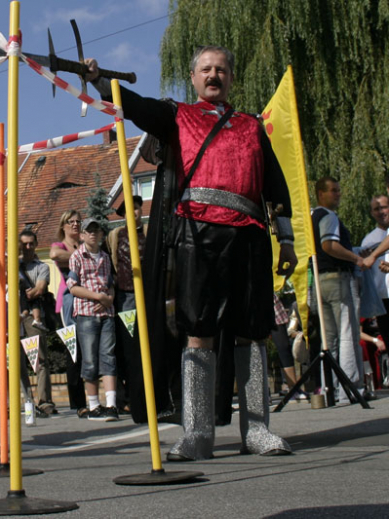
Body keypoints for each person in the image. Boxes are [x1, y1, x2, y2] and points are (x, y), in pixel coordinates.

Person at [87, 46, 297, 459]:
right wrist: (98, 81)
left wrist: (286, 238)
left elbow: (275, 183)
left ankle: (256, 431)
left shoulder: (253, 126)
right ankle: (198, 433)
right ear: (194, 76)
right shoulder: (177, 117)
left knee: (252, 331)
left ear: (231, 78)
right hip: (197, 233)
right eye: (206, 69)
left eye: (221, 69)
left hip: (250, 235)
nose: (214, 75)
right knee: (198, 329)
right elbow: (137, 107)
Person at [310, 177, 369, 402]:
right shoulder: (329, 216)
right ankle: (351, 388)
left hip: (319, 281)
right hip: (337, 279)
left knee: (330, 339)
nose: (338, 195)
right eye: (333, 191)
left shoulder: (311, 217)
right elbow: (329, 245)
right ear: (321, 193)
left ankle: (330, 388)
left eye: (338, 190)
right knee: (347, 334)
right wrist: (355, 258)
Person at [67, 218, 118, 421]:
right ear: (82, 235)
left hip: (106, 313)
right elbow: (73, 286)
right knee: (89, 359)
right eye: (89, 231)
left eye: (96, 231)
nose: (93, 234)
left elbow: (110, 284)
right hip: (86, 313)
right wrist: (98, 297)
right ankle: (94, 405)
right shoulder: (77, 257)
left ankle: (111, 403)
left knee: (108, 356)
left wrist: (109, 299)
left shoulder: (105, 257)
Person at [106, 196, 146, 416]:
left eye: (137, 208)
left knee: (147, 343)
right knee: (129, 347)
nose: (135, 213)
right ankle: (130, 397)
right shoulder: (116, 236)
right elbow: (111, 263)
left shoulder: (148, 232)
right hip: (125, 296)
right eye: (130, 210)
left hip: (147, 294)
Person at [50, 210, 87, 413]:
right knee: (74, 352)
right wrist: (83, 256)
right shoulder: (60, 246)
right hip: (68, 303)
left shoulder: (83, 244)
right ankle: (77, 402)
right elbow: (55, 255)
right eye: (70, 222)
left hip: (87, 300)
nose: (75, 225)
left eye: (78, 221)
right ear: (63, 225)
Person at [18, 229, 56, 416]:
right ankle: (27, 401)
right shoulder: (12, 265)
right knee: (16, 362)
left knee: (39, 360)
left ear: (36, 244)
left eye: (31, 243)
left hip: (33, 317)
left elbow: (39, 289)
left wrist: (28, 293)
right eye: (24, 243)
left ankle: (45, 401)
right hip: (14, 316)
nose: (27, 247)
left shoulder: (42, 267)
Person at [361, 195, 389, 341]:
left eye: (384, 207)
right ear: (372, 213)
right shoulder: (368, 241)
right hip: (383, 301)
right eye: (376, 209)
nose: (381, 212)